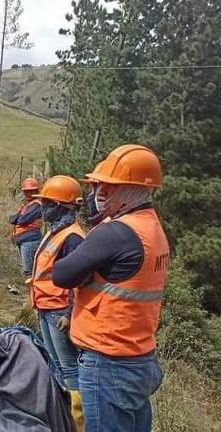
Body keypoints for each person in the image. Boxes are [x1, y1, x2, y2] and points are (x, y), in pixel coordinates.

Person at [53, 145, 168, 432]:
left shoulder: (116, 232)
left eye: (109, 186)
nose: (99, 193)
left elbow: (62, 275)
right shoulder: (151, 227)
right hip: (139, 358)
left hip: (109, 362)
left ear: (131, 189)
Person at [28, 175, 86, 431]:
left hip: (59, 311)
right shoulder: (57, 231)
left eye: (49, 203)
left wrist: (70, 314)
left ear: (63, 205)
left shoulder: (73, 237)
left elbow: (79, 278)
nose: (44, 207)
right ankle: (60, 416)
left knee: (69, 367)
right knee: (55, 363)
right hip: (45, 306)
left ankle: (77, 422)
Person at [9, 177, 43, 276]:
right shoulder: (28, 205)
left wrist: (18, 217)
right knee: (27, 269)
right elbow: (13, 220)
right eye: (26, 191)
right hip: (23, 240)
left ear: (36, 191)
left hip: (30, 241)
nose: (28, 194)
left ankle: (31, 289)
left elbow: (22, 220)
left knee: (28, 271)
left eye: (31, 191)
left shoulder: (37, 205)